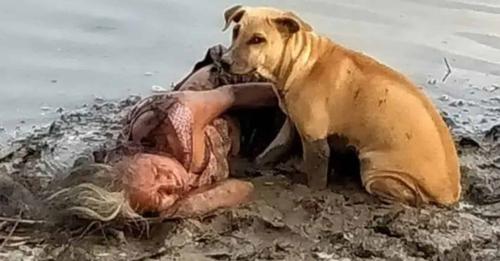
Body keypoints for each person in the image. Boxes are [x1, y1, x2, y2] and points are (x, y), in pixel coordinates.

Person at [48, 45, 285, 221]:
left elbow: (232, 94)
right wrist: (183, 208)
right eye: (162, 197)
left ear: (136, 156)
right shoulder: (152, 192)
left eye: (157, 173)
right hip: (235, 142)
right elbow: (244, 189)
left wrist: (288, 96)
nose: (172, 183)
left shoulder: (175, 120)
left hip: (235, 91)